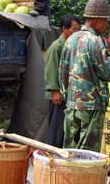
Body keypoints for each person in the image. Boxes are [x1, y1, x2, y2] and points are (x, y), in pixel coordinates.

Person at [59, 0, 110, 152]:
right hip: (91, 109)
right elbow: (108, 73)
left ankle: (68, 177)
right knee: (87, 156)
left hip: (72, 107)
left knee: (70, 155)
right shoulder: (96, 42)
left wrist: (69, 99)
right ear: (97, 20)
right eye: (106, 21)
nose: (107, 25)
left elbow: (63, 73)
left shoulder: (70, 40)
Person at [44, 13, 81, 148]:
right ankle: (49, 156)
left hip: (68, 95)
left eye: (78, 29)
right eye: (74, 29)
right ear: (64, 29)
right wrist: (55, 91)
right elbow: (50, 70)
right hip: (58, 95)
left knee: (65, 127)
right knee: (56, 127)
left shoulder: (71, 45)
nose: (77, 32)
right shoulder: (56, 47)